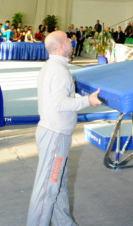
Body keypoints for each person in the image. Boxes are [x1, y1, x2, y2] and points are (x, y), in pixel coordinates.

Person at [26, 31, 102, 226]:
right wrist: (88, 100)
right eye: (68, 39)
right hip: (55, 135)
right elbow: (60, 103)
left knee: (58, 185)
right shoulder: (59, 71)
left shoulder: (51, 67)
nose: (71, 41)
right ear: (61, 46)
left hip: (53, 132)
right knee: (48, 189)